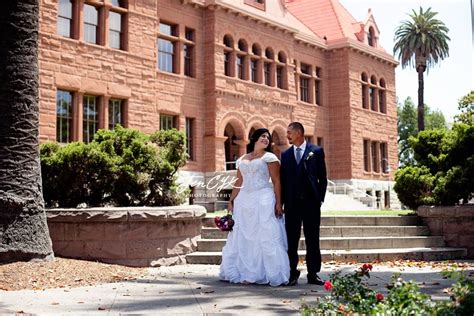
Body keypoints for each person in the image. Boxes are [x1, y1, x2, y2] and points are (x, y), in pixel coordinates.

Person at [219, 128, 290, 286]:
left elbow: (277, 181)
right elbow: (239, 181)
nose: (266, 139)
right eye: (263, 136)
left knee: (264, 235)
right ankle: (244, 271)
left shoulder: (269, 157)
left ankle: (265, 273)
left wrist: (279, 203)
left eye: (268, 137)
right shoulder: (243, 158)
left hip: (263, 198)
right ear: (255, 138)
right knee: (243, 236)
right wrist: (231, 201)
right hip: (244, 201)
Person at [280, 122, 327, 286]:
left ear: (299, 133)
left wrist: (319, 198)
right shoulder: (285, 155)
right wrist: (282, 203)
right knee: (291, 240)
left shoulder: (316, 151)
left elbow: (323, 178)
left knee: (313, 239)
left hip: (311, 204)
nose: (287, 135)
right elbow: (283, 181)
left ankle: (313, 274)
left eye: (289, 132)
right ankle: (292, 273)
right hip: (292, 205)